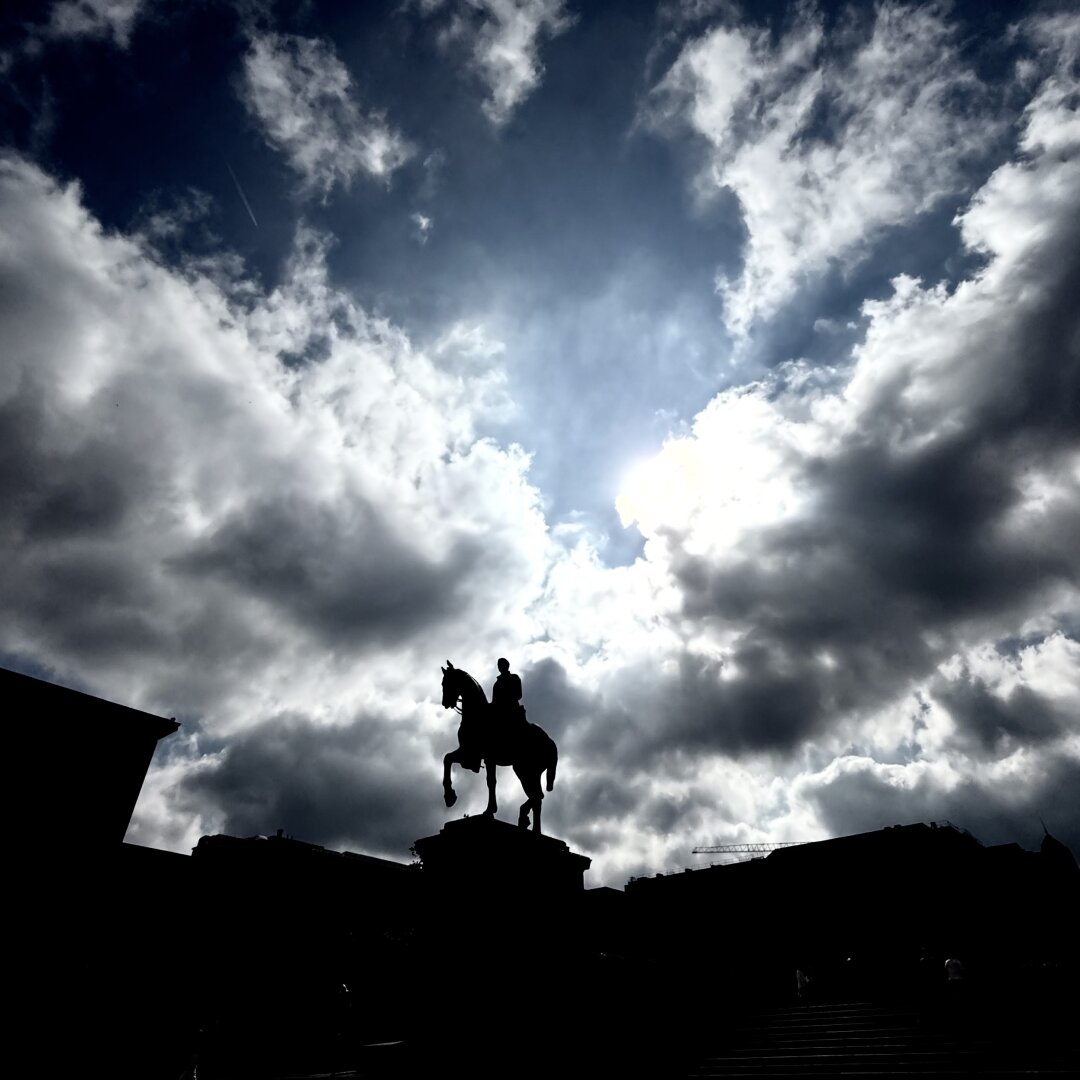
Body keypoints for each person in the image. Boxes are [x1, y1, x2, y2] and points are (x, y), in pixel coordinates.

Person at [492, 658, 525, 735]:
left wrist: (504, 700)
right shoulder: (497, 684)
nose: (499, 667)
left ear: (507, 666)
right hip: (499, 712)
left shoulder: (514, 678)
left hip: (512, 710)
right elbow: (494, 702)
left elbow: (519, 695)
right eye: (498, 665)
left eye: (501, 665)